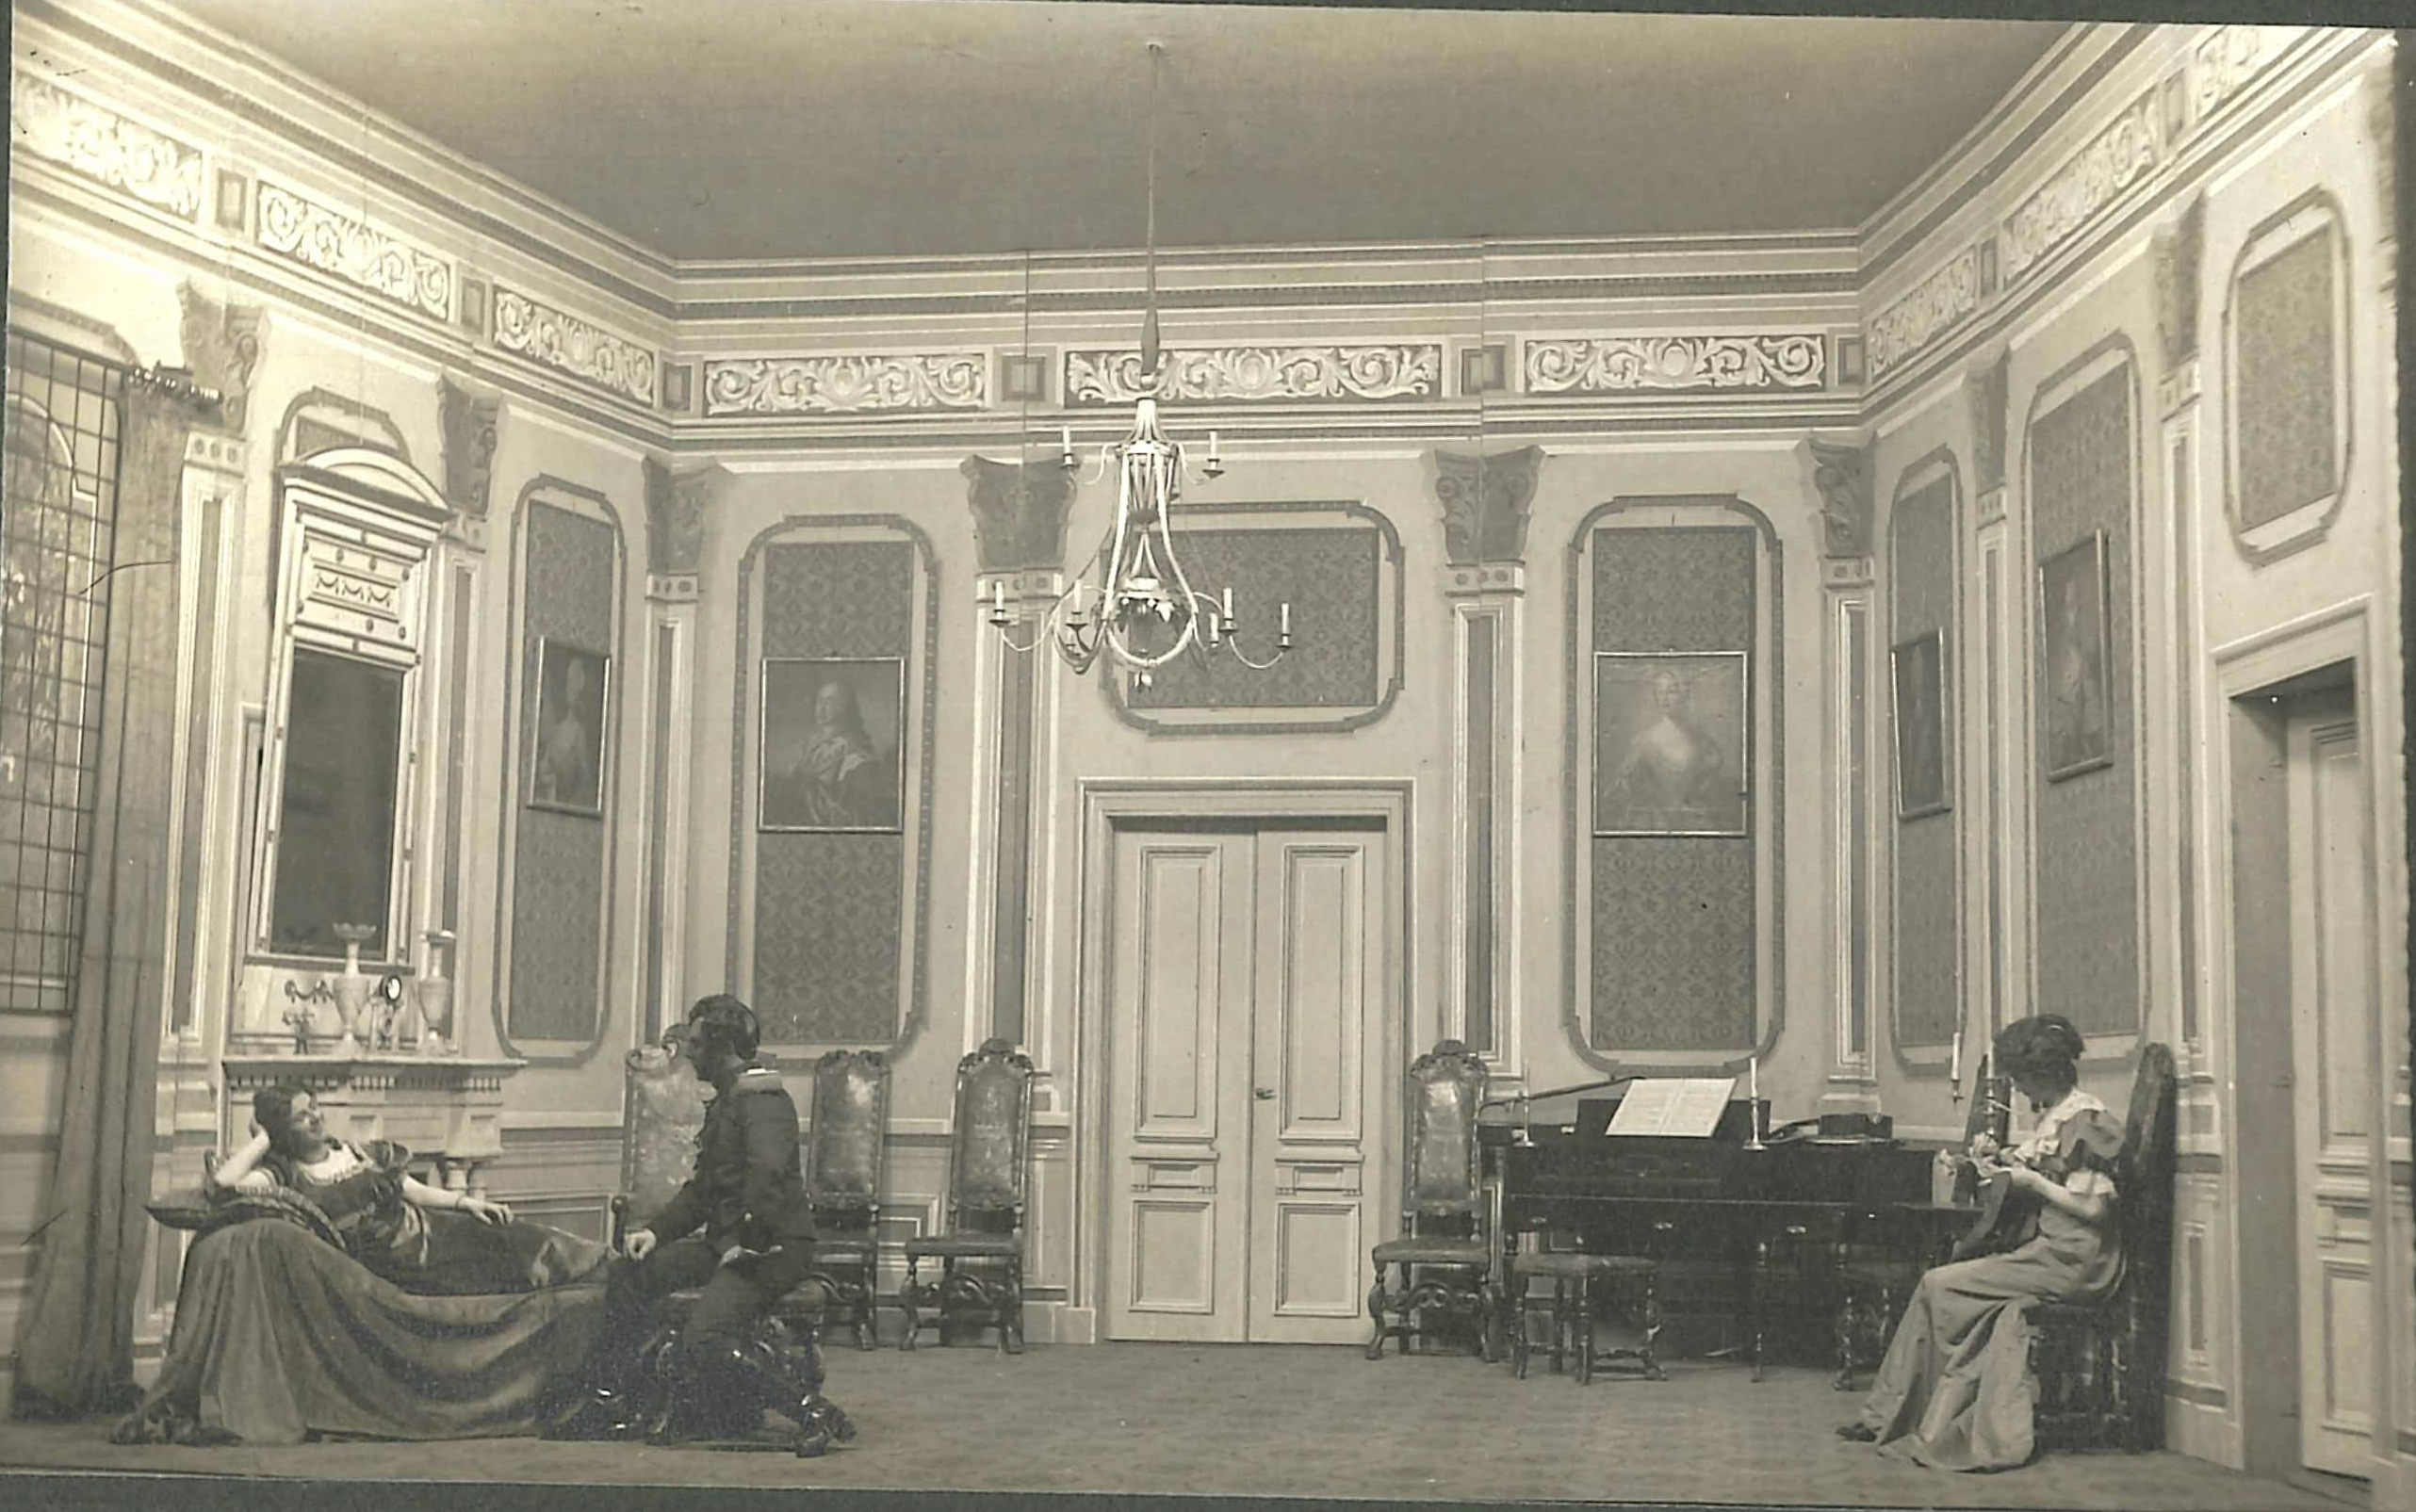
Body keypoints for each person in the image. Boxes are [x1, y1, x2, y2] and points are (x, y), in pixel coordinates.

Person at [551, 994, 855, 1455]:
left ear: (722, 1046)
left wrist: (747, 1243)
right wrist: (655, 1233)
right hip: (727, 1244)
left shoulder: (762, 1100)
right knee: (631, 1274)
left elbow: (769, 1177)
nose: (688, 1054)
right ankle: (612, 1399)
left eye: (696, 1044)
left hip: (772, 1249)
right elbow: (703, 1192)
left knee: (704, 1336)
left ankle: (813, 1411)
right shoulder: (729, 1100)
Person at [1837, 1014, 2124, 1470]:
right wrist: (2000, 1162)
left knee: (1937, 1284)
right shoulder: (2059, 1116)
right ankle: (1890, 1415)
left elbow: (2095, 1210)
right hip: (2053, 1253)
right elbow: (2047, 1171)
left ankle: (1906, 1417)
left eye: (2023, 1080)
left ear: (2044, 1074)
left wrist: (2031, 1181)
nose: (2021, 1090)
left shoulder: (2086, 1120)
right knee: (1940, 1284)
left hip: (2077, 1261)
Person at [209, 1083, 608, 1295]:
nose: (316, 1119)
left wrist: (465, 1203)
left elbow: (412, 1190)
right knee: (504, 1259)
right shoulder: (285, 1174)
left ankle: (601, 1265)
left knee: (512, 1234)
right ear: (282, 1130)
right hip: (394, 1258)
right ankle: (594, 1271)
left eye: (315, 1108)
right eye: (301, 1117)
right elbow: (223, 1184)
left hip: (430, 1230)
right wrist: (263, 1138)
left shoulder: (358, 1151)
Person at [1608, 666, 1737, 829]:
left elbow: (1710, 788)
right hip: (1655, 823)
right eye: (1660, 692)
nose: (1665, 698)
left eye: (1672, 691)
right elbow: (1625, 788)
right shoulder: (1643, 741)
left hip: (1692, 821)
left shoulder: (1701, 741)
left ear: (1684, 695)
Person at [768, 677, 895, 828]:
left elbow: (849, 809)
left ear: (846, 708)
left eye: (831, 702)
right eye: (820, 701)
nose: (822, 708)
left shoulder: (856, 751)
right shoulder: (810, 745)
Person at [534, 656, 596, 807]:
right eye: (569, 681)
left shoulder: (578, 732)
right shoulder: (554, 728)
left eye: (575, 681)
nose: (571, 687)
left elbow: (585, 782)